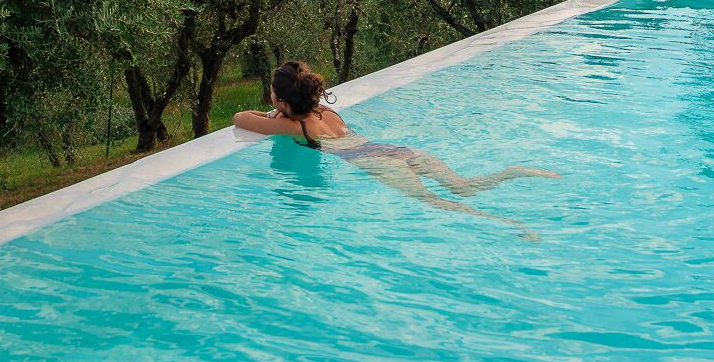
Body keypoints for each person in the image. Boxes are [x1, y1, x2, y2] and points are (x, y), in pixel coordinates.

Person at [232, 60, 557, 236]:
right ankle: (514, 172)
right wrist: (282, 109)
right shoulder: (325, 112)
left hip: (376, 163)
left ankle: (510, 225)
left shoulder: (292, 126)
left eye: (274, 96)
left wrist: (272, 114)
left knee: (434, 201)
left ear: (285, 102)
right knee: (464, 186)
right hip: (394, 150)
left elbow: (240, 117)